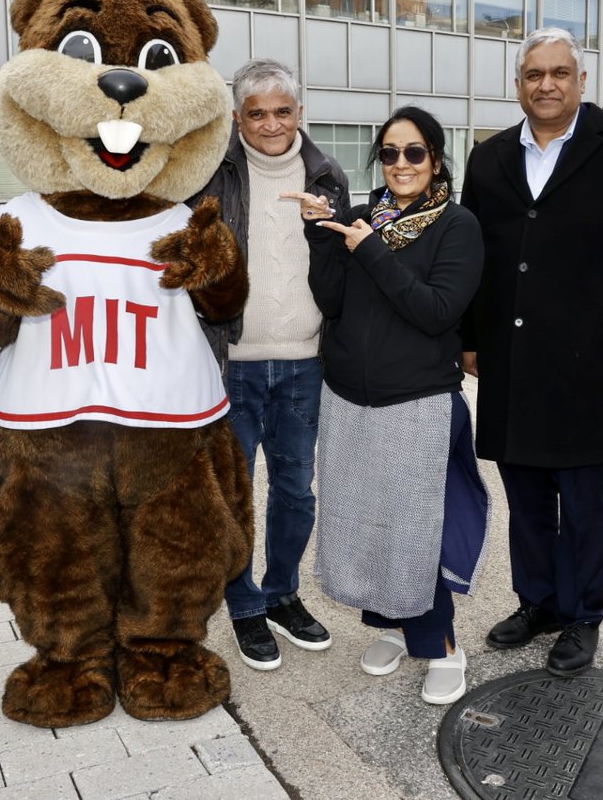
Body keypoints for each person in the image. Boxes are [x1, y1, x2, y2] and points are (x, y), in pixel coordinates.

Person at [460, 28, 603, 677]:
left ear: (582, 82)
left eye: (559, 73)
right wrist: (470, 339)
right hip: (511, 363)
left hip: (592, 368)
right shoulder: (489, 157)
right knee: (524, 495)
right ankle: (539, 603)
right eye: (533, 74)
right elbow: (476, 254)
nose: (546, 84)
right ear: (518, 84)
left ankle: (582, 617)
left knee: (582, 503)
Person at [285, 106, 488, 705]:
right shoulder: (358, 217)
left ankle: (444, 646)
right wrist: (320, 237)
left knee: (412, 529)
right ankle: (394, 629)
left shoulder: (457, 226)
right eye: (391, 153)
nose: (401, 164)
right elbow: (333, 301)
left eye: (415, 152)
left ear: (436, 158)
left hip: (417, 401)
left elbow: (435, 311)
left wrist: (369, 248)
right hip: (349, 395)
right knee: (363, 517)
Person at [189, 58, 350, 672]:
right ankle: (244, 604)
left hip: (305, 364)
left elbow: (342, 265)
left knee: (295, 491)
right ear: (237, 118)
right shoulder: (209, 172)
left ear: (299, 114)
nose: (271, 123)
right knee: (233, 495)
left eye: (283, 111)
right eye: (257, 113)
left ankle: (283, 593)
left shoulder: (327, 174)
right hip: (231, 364)